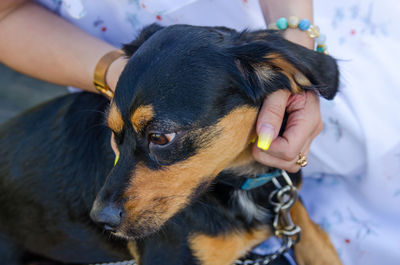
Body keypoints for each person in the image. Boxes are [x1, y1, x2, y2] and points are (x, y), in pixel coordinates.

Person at [1, 0, 399, 264]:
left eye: (160, 139)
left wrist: (296, 44)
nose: (105, 207)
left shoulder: (260, 86)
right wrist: (118, 74)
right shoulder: (177, 215)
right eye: (119, 135)